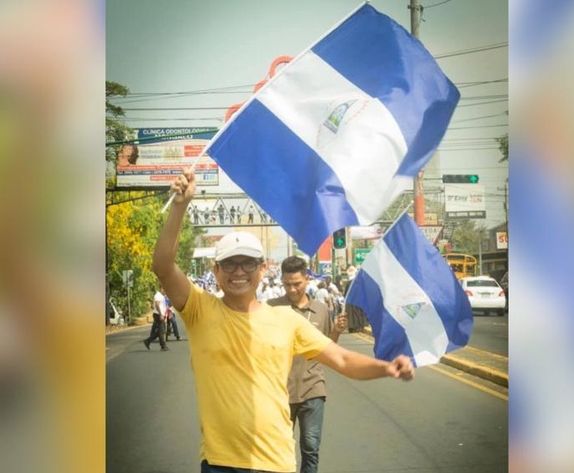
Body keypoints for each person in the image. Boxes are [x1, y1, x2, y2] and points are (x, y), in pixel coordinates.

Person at [152, 167, 415, 473]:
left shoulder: (286, 320)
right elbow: (163, 266)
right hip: (220, 463)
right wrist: (180, 206)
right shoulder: (200, 309)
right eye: (230, 264)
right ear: (216, 271)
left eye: (248, 263)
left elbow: (342, 360)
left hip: (276, 463)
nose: (239, 272)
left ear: (263, 269)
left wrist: (386, 368)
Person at [268, 256, 348, 473]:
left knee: (310, 448)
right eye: (287, 284)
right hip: (279, 392)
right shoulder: (271, 309)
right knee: (277, 450)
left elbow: (327, 348)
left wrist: (336, 331)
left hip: (313, 388)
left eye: (297, 284)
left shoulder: (321, 310)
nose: (292, 289)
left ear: (307, 279)